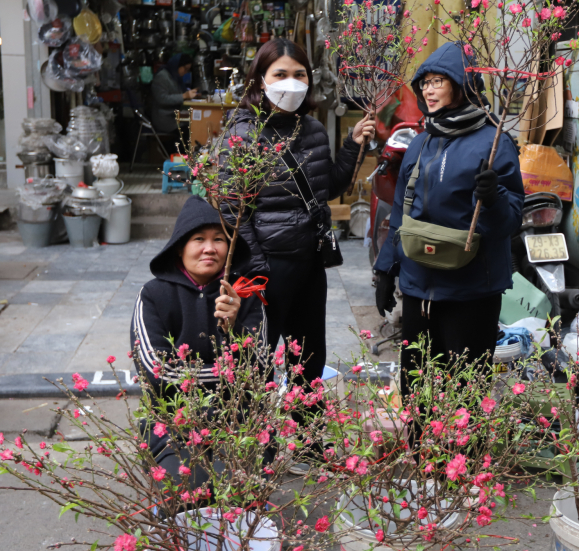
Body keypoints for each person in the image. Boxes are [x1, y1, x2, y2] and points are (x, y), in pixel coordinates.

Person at [372, 41, 525, 399]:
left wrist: (493, 198)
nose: (428, 89)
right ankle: (418, 454)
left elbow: (511, 220)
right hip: (418, 286)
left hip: (471, 290)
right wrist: (385, 268)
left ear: (463, 85)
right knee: (417, 389)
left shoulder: (494, 142)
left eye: (438, 80)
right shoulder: (420, 143)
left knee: (464, 394)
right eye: (424, 82)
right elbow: (401, 213)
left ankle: (463, 457)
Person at [224, 38, 374, 397]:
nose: (290, 82)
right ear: (260, 80)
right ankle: (255, 445)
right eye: (280, 74)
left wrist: (352, 144)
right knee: (255, 363)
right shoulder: (243, 134)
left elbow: (326, 187)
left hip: (308, 265)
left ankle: (306, 437)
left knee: (309, 358)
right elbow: (233, 209)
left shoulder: (314, 130)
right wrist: (258, 268)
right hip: (266, 269)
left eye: (299, 74)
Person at [130, 195, 266, 473]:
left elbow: (262, 371)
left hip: (237, 420)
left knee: (234, 490)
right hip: (172, 422)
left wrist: (235, 326)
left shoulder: (247, 294)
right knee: (189, 492)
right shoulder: (153, 295)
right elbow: (157, 373)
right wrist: (224, 375)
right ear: (180, 247)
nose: (209, 249)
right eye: (198, 240)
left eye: (218, 239)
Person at [150, 53, 198, 135]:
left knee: (195, 124)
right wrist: (184, 96)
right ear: (177, 65)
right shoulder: (162, 76)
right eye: (185, 69)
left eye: (188, 70)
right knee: (190, 130)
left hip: (174, 115)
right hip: (164, 119)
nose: (186, 72)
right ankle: (178, 148)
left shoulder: (175, 77)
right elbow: (162, 99)